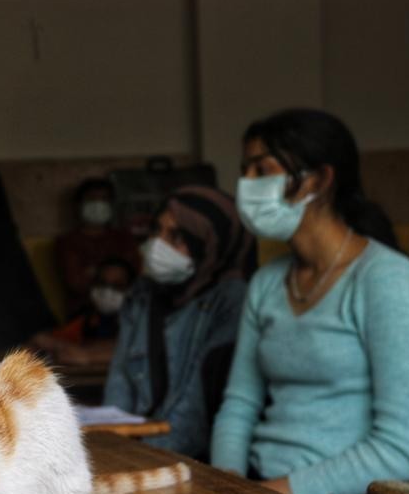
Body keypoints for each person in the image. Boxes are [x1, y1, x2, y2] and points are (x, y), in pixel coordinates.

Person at [211, 108, 409, 494]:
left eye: (262, 169)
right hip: (264, 492)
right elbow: (239, 404)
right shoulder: (268, 282)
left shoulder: (386, 278)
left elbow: (402, 446)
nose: (247, 184)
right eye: (244, 170)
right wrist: (227, 489)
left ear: (319, 180)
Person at [102, 185, 256, 460]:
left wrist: (139, 461)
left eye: (175, 237)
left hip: (193, 459)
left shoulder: (232, 301)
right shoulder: (141, 294)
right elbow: (119, 385)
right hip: (134, 450)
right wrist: (109, 450)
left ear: (209, 244)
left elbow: (193, 417)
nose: (157, 245)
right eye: (156, 231)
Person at [54, 178, 140, 317]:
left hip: (126, 311)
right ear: (78, 204)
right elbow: (76, 283)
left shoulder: (124, 238)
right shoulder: (68, 242)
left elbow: (134, 275)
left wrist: (93, 270)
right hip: (84, 313)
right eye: (92, 199)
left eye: (104, 199)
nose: (98, 204)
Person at [30, 256, 135, 366]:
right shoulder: (88, 320)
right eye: (102, 283)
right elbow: (51, 340)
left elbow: (133, 348)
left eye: (117, 286)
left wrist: (88, 356)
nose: (107, 291)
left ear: (131, 290)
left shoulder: (137, 322)